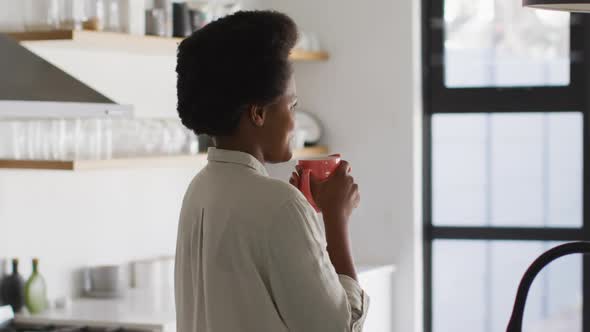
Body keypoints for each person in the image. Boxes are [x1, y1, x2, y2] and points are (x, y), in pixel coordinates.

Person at [174, 10, 368, 332]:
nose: (295, 121)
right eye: (291, 105)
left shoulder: (199, 188)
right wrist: (336, 218)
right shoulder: (280, 203)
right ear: (259, 113)